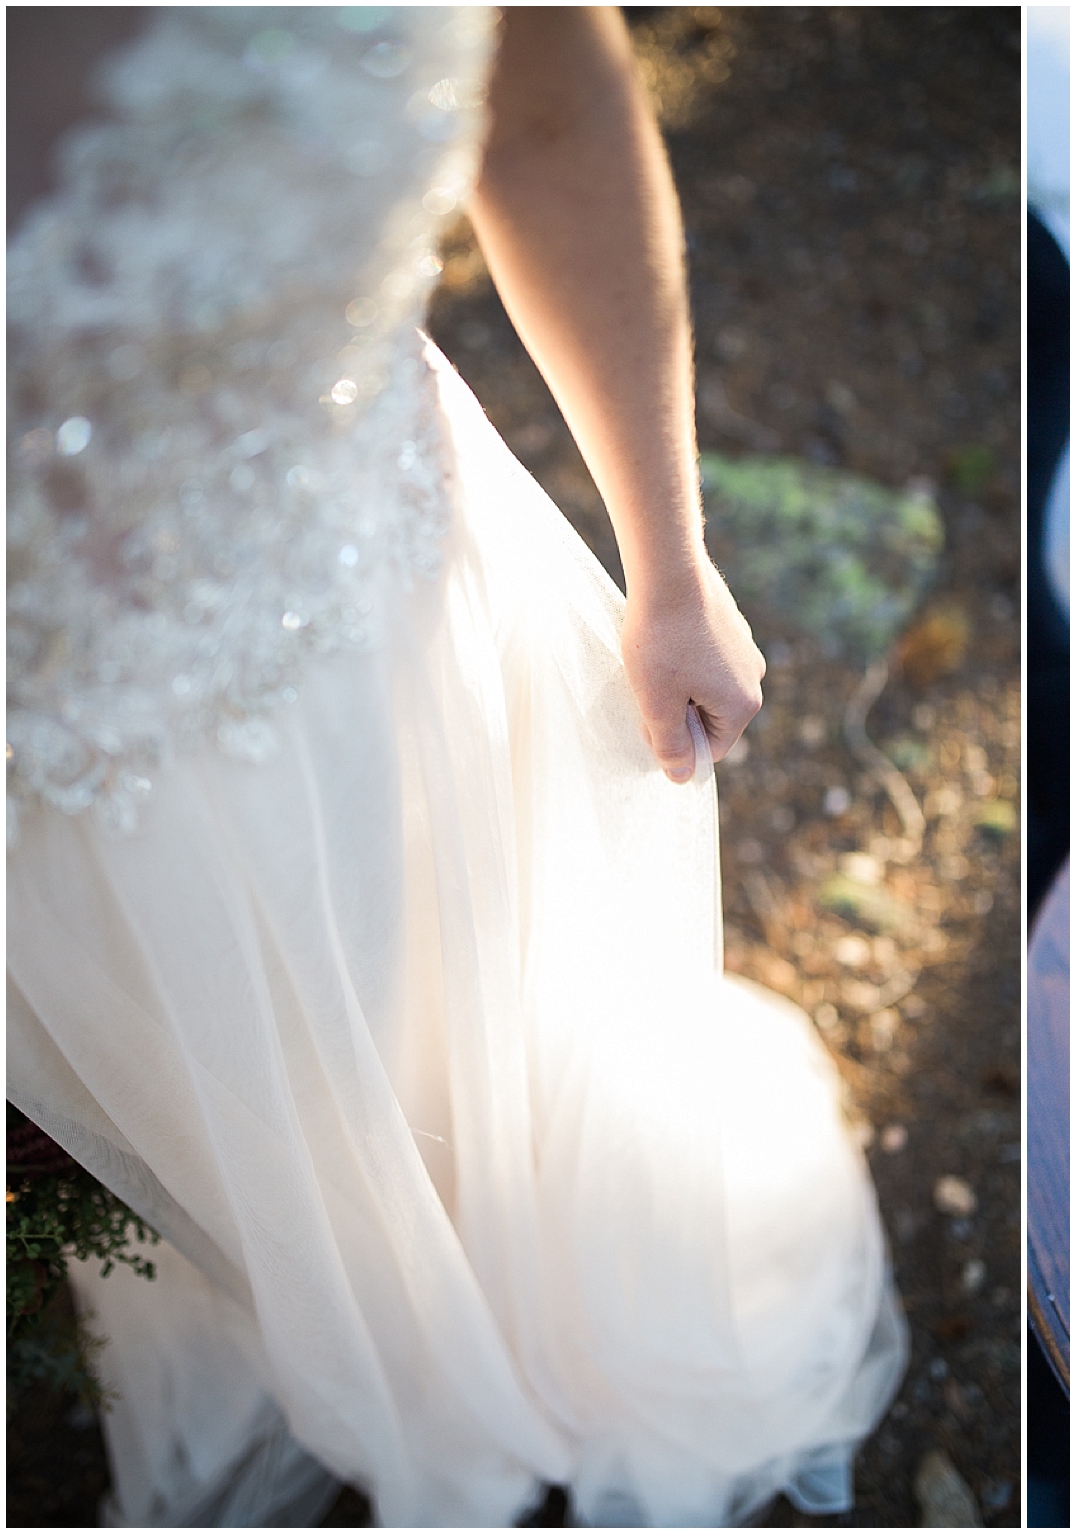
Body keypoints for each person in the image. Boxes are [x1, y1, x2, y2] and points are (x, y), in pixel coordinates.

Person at [7, 7, 905, 1525]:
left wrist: (670, 566)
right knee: (186, 1119)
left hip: (378, 607)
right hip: (47, 733)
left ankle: (497, 1340)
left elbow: (548, 115)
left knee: (446, 1042)